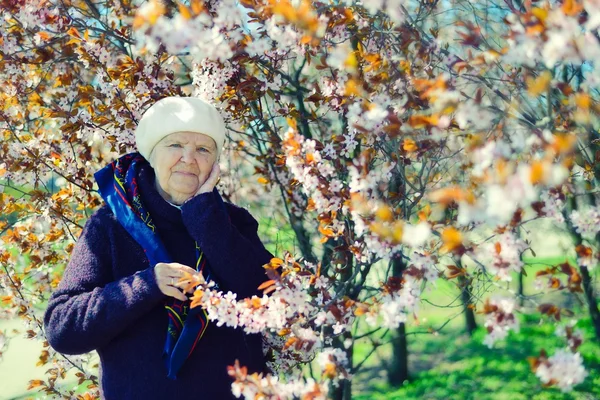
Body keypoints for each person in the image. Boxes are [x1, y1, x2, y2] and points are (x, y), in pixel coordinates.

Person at [44, 96, 273, 399]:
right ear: (151, 155)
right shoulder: (111, 225)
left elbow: (270, 299)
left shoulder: (234, 223)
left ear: (214, 164)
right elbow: (63, 328)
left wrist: (206, 219)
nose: (189, 158)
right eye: (176, 145)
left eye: (203, 149)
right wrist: (146, 284)